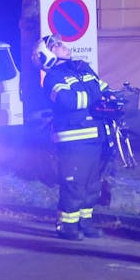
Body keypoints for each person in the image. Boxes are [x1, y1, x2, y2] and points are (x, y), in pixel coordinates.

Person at [41, 34, 111, 239]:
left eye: (62, 43)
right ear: (47, 54)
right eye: (57, 46)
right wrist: (95, 95)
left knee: (92, 183)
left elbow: (102, 87)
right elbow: (69, 101)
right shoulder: (52, 78)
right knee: (74, 183)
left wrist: (115, 96)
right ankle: (67, 226)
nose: (63, 47)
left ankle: (85, 222)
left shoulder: (81, 68)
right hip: (73, 139)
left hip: (95, 134)